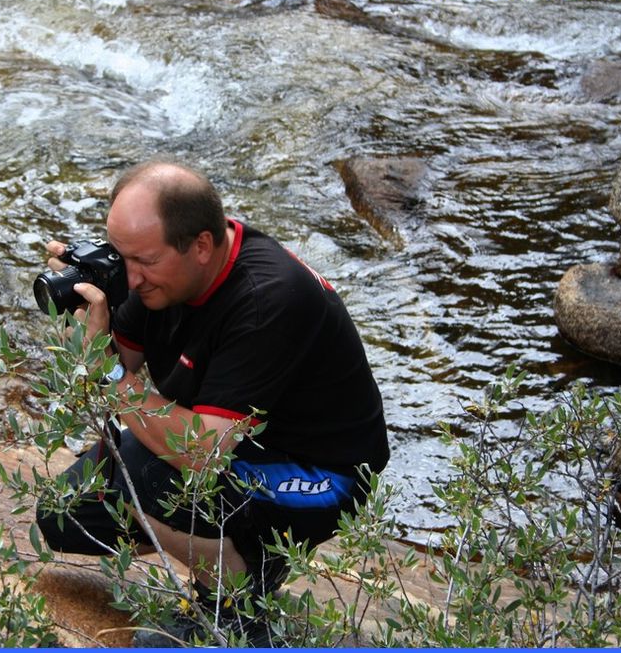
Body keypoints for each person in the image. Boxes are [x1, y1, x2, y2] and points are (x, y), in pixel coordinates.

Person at [34, 159, 389, 646]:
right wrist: (95, 309)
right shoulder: (162, 271)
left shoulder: (268, 299)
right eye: (122, 257)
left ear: (201, 245)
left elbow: (198, 453)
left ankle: (236, 599)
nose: (133, 278)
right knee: (65, 514)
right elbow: (129, 359)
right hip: (232, 442)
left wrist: (106, 370)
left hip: (319, 475)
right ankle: (228, 540)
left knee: (146, 466)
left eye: (142, 262)